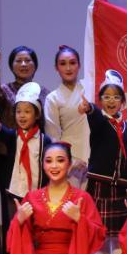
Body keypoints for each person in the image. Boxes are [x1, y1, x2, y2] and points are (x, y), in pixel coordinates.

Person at [79, 69, 127, 254]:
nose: (111, 101)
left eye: (116, 97)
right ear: (100, 100)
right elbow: (93, 115)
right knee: (103, 235)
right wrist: (89, 109)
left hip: (121, 187)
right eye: (106, 97)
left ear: (123, 101)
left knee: (119, 236)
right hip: (100, 184)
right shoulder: (100, 122)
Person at [0, 83, 51, 254]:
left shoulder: (45, 140)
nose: (22, 116)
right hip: (14, 193)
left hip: (36, 194)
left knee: (36, 232)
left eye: (27, 111)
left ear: (37, 115)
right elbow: (3, 133)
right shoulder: (13, 136)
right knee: (16, 229)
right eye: (18, 111)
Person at [44, 45, 91, 188]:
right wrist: (68, 160)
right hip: (70, 161)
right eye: (63, 64)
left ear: (79, 65)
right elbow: (53, 135)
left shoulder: (90, 89)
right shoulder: (53, 98)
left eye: (72, 63)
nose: (68, 68)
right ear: (56, 68)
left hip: (94, 155)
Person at [0, 45, 49, 127]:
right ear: (12, 67)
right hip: (11, 135)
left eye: (27, 60)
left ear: (35, 66)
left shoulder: (44, 92)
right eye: (18, 61)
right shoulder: (5, 90)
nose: (23, 64)